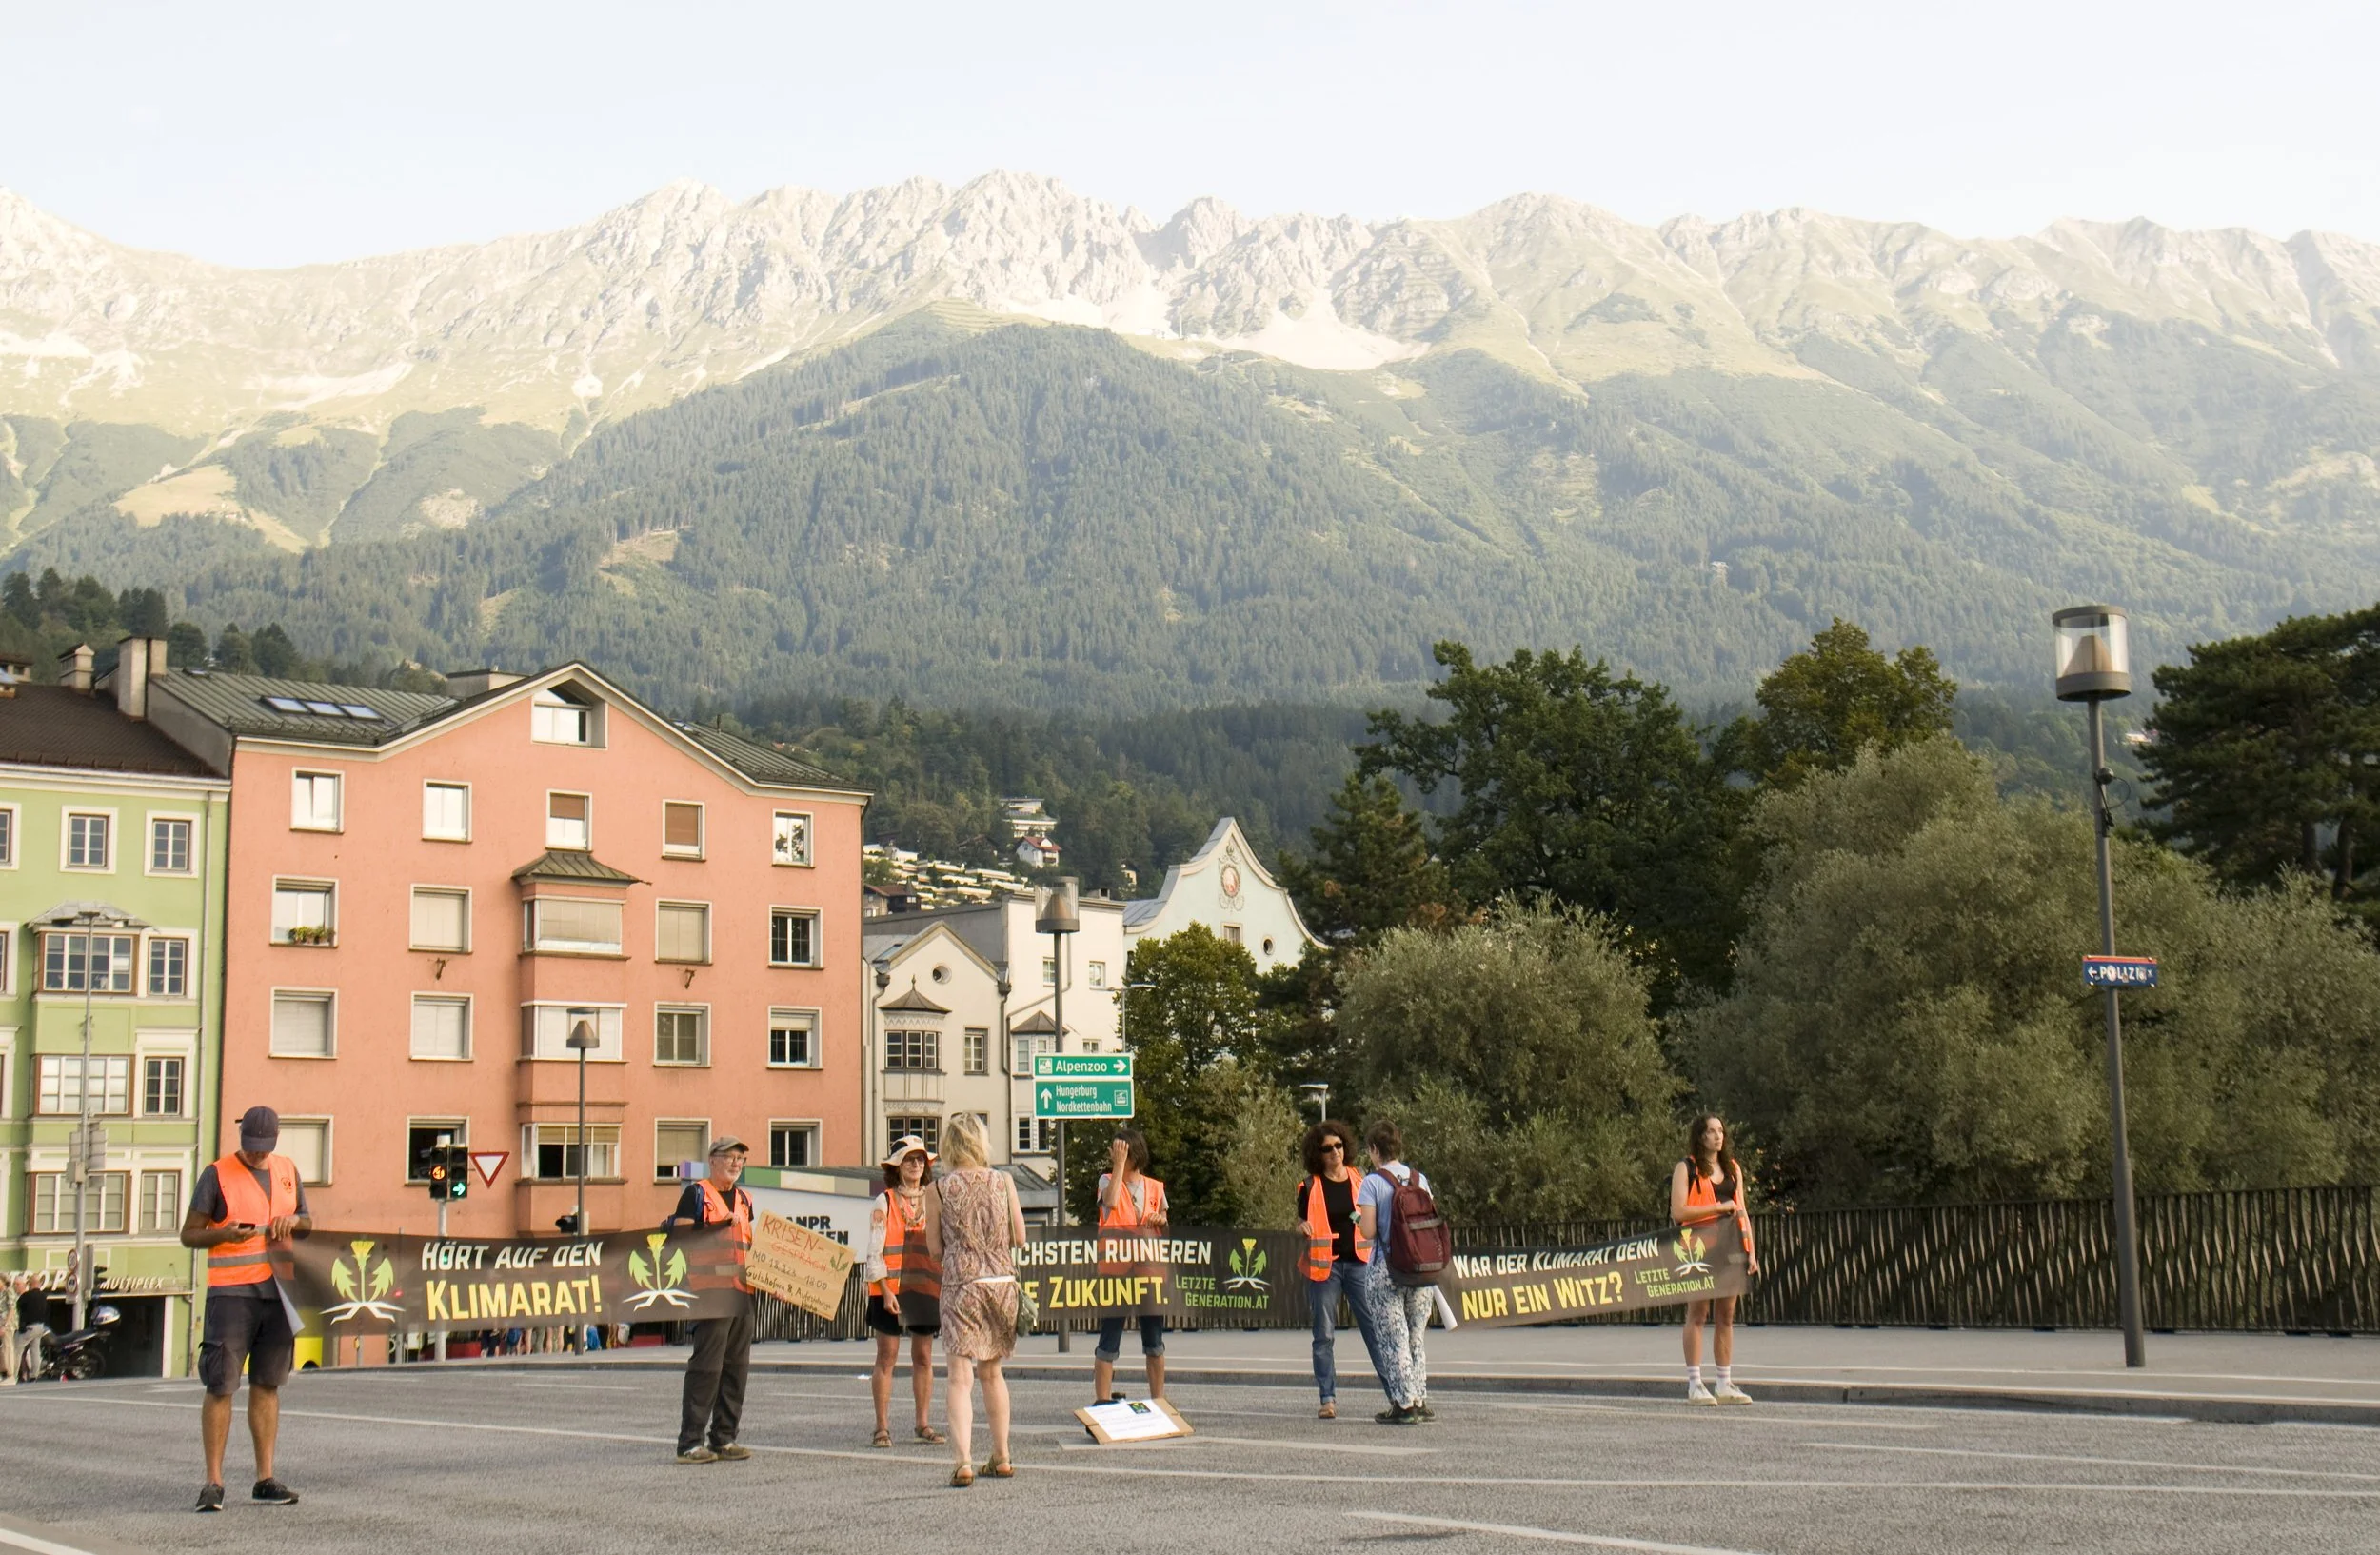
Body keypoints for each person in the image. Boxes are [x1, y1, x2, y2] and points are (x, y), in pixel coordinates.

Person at [179, 1106, 311, 1512]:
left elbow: (307, 1220)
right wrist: (223, 1234)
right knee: (220, 1385)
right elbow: (189, 1234)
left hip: (278, 1292)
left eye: (262, 1148)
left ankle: (264, 1478)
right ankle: (213, 1483)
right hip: (232, 1293)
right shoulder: (216, 1174)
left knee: (268, 1385)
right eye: (250, 1148)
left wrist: (294, 1224)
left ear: (274, 1141)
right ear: (241, 1140)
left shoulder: (288, 1169)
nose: (255, 1155)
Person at [921, 1111, 1025, 1488]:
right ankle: (1002, 1455)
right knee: (993, 1374)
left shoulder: (937, 1190)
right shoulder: (1004, 1182)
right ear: (981, 1143)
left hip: (961, 1286)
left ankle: (964, 1461)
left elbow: (934, 1248)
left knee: (960, 1377)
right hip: (1000, 1283)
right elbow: (1021, 1236)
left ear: (949, 1146)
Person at [1297, 1118, 1404, 1422]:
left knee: (1375, 1330)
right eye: (1327, 1148)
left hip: (1359, 1263)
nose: (1335, 1152)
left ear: (1346, 1146)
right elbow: (1301, 1219)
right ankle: (1327, 1398)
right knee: (1324, 1334)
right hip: (1325, 1268)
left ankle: (1395, 1394)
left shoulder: (1361, 1179)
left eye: (1339, 1145)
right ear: (1317, 1153)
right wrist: (1301, 1226)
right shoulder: (1309, 1185)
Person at [669, 1135, 756, 1463]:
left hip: (743, 1292)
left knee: (737, 1366)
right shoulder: (696, 1194)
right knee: (707, 1366)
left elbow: (752, 1246)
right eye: (730, 1156)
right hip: (710, 1292)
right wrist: (719, 1224)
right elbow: (680, 1240)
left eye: (741, 1158)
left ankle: (724, 1437)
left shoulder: (746, 1199)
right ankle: (690, 1442)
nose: (736, 1163)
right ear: (713, 1159)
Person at [1672, 1114, 1761, 1406]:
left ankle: (1724, 1382)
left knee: (1727, 1315)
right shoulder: (1687, 1168)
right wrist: (1718, 1207)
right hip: (1698, 1248)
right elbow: (1680, 1212)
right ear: (1700, 1137)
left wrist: (1751, 1250)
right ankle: (1695, 1383)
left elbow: (1742, 1210)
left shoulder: (1733, 1168)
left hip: (1730, 1246)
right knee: (1698, 1314)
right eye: (1711, 1131)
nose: (1717, 1136)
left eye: (1720, 1130)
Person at [863, 1134, 943, 1448]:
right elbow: (874, 1251)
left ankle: (922, 1423)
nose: (916, 1164)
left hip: (924, 1288)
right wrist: (884, 1289)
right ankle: (881, 1427)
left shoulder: (934, 1199)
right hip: (890, 1288)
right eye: (910, 1159)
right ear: (896, 1166)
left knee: (924, 1356)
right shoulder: (883, 1201)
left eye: (920, 1159)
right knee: (888, 1356)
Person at [1363, 1120, 1434, 1424]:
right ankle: (1419, 1398)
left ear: (1375, 1149)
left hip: (1387, 1270)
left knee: (1395, 1338)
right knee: (1416, 1335)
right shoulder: (1420, 1179)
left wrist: (1356, 1216)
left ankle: (1403, 1405)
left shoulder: (1373, 1182)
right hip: (1421, 1270)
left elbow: (1367, 1231)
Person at [1092, 1128, 1168, 1405]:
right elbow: (1110, 1204)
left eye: (1121, 1150)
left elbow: (1166, 1223)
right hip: (1117, 1273)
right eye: (1115, 1150)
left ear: (1135, 1152)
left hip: (1149, 1272)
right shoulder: (1107, 1180)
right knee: (1109, 1338)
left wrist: (1160, 1221)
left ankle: (1158, 1400)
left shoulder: (1155, 1187)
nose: (1115, 1153)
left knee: (1155, 1341)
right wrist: (1118, 1166)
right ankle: (1102, 1400)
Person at [12, 1273, 50, 1383]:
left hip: (29, 1327)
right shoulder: (44, 1296)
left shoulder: (26, 1296)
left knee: (17, 1349)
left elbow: (19, 1309)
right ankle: (34, 1375)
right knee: (35, 1351)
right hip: (40, 1327)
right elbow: (47, 1312)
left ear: (31, 1284)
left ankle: (13, 1374)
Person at [1, 1272, 22, 1384]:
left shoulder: (9, 1291)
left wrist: (5, 1325)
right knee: (3, 1349)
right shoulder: (1, 1293)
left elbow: (12, 1309)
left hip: (8, 1325)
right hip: (2, 1325)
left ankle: (10, 1375)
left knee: (8, 1348)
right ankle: (4, 1373)